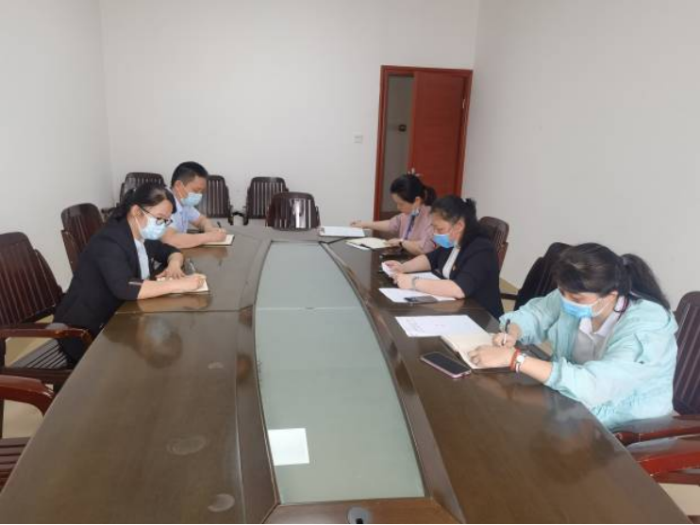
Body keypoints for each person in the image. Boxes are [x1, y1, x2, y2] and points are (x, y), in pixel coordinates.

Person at [467, 243, 678, 429]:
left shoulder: (648, 325)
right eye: (562, 292)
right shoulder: (575, 293)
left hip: (624, 423)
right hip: (570, 402)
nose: (566, 301)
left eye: (576, 298)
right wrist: (513, 332)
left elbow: (596, 385)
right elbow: (536, 314)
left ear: (610, 296)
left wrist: (516, 359)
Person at [54, 183, 205, 364]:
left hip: (120, 316)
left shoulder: (143, 235)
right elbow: (125, 287)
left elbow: (170, 250)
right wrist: (178, 284)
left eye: (166, 220)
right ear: (136, 211)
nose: (163, 226)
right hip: (86, 330)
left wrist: (174, 264)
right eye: (159, 218)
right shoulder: (109, 241)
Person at [384, 196, 503, 318]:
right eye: (433, 227)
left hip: (482, 317)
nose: (435, 233)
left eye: (440, 229)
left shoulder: (482, 249)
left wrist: (413, 282)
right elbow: (430, 259)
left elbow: (459, 289)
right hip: (456, 308)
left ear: (459, 226)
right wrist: (403, 267)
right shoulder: (453, 241)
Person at [350, 174, 437, 255]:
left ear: (417, 201)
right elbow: (392, 224)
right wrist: (364, 224)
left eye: (401, 204)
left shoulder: (432, 218)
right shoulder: (411, 212)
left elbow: (425, 248)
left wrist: (401, 242)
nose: (398, 208)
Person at [160, 161, 228, 249]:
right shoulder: (161, 202)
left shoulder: (183, 201)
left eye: (202, 191)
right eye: (196, 190)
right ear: (178, 185)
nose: (199, 195)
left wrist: (209, 228)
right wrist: (209, 236)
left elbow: (201, 220)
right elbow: (170, 240)